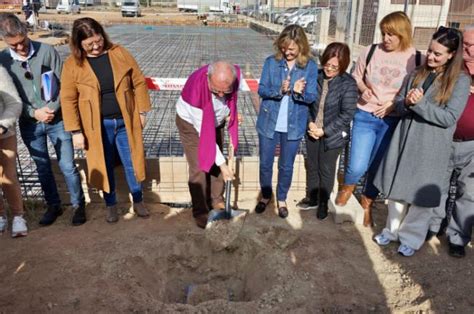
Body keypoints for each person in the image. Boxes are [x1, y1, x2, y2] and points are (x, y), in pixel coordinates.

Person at [372, 26, 470, 257]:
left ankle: (412, 238)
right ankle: (392, 231)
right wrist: (405, 103)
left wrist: (420, 105)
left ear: (451, 54)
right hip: (405, 138)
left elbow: (449, 117)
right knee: (397, 190)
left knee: (421, 197)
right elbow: (397, 104)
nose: (431, 57)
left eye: (438, 53)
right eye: (430, 51)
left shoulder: (460, 81)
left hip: (432, 145)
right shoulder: (418, 72)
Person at [61, 17, 152, 223]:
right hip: (97, 126)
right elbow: (68, 99)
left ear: (102, 35)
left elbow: (138, 81)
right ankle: (111, 205)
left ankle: (138, 200)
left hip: (125, 121)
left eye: (98, 40)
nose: (95, 46)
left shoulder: (119, 53)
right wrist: (76, 131)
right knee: (104, 164)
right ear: (78, 44)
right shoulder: (73, 65)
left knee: (132, 163)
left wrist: (142, 111)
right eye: (89, 44)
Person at [335, 11, 421, 227]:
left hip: (392, 119)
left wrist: (393, 104)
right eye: (383, 33)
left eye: (391, 34)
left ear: (403, 34)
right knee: (357, 163)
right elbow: (356, 75)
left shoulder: (415, 58)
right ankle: (348, 187)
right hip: (365, 114)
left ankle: (367, 201)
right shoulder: (371, 51)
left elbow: (415, 88)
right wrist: (363, 89)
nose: (386, 39)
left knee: (377, 164)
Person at [0, 13, 86, 226]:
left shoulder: (47, 51)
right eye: (14, 45)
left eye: (22, 42)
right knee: (42, 167)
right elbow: (10, 97)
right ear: (4, 41)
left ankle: (78, 205)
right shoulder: (3, 61)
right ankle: (53, 205)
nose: (20, 48)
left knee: (67, 165)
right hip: (30, 124)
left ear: (26, 32)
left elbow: (64, 84)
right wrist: (33, 113)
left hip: (57, 120)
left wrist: (51, 109)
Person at [255, 24, 318, 219]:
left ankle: (281, 198)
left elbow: (311, 97)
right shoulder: (271, 63)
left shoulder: (310, 66)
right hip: (269, 122)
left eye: (291, 49)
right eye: (284, 47)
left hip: (293, 125)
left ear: (301, 46)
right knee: (265, 163)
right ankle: (266, 196)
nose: (287, 52)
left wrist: (299, 93)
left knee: (286, 165)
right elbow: (262, 90)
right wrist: (279, 91)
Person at [176, 61, 241, 228]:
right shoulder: (195, 92)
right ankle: (200, 211)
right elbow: (206, 138)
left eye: (225, 90)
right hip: (191, 125)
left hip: (215, 121)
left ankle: (217, 200)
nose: (220, 94)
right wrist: (223, 164)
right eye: (216, 90)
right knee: (199, 167)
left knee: (216, 163)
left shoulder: (234, 77)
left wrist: (229, 114)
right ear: (208, 78)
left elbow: (230, 100)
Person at [296, 43, 358, 220]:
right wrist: (310, 124)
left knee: (326, 168)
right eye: (326, 64)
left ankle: (323, 201)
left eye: (334, 67)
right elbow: (307, 104)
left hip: (334, 135)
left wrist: (325, 130)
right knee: (313, 165)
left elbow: (347, 114)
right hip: (313, 131)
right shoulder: (316, 77)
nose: (329, 69)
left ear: (343, 65)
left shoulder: (348, 84)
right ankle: (312, 197)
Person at [437, 26, 474, 258]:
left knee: (468, 192)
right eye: (465, 44)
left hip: (472, 143)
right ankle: (434, 226)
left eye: (471, 45)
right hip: (444, 137)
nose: (467, 49)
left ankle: (458, 237)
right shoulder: (451, 66)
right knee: (437, 186)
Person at [0, 65, 28, 238]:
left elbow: (14, 103)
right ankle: (1, 215)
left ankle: (18, 216)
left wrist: (3, 125)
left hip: (4, 132)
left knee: (8, 175)